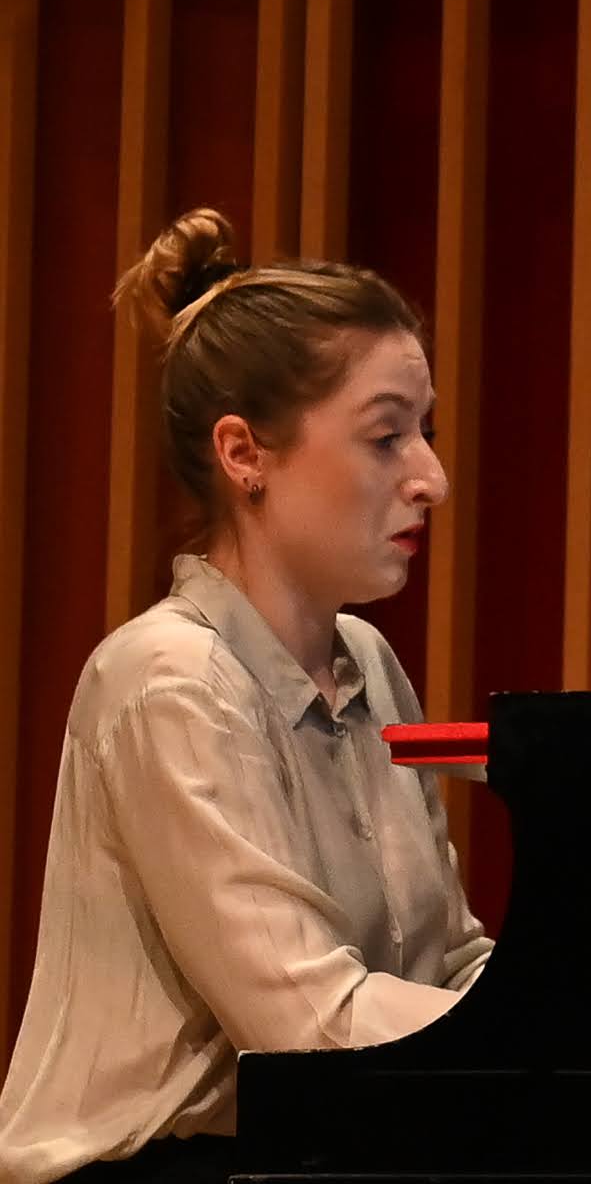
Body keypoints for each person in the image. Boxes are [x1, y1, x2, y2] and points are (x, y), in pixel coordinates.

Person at [0, 211, 490, 1184]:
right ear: (244, 453)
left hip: (305, 1156)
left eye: (423, 432)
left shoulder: (367, 659)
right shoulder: (165, 678)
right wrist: (571, 1035)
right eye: (388, 434)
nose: (430, 476)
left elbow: (448, 961)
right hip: (153, 1170)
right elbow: (307, 1022)